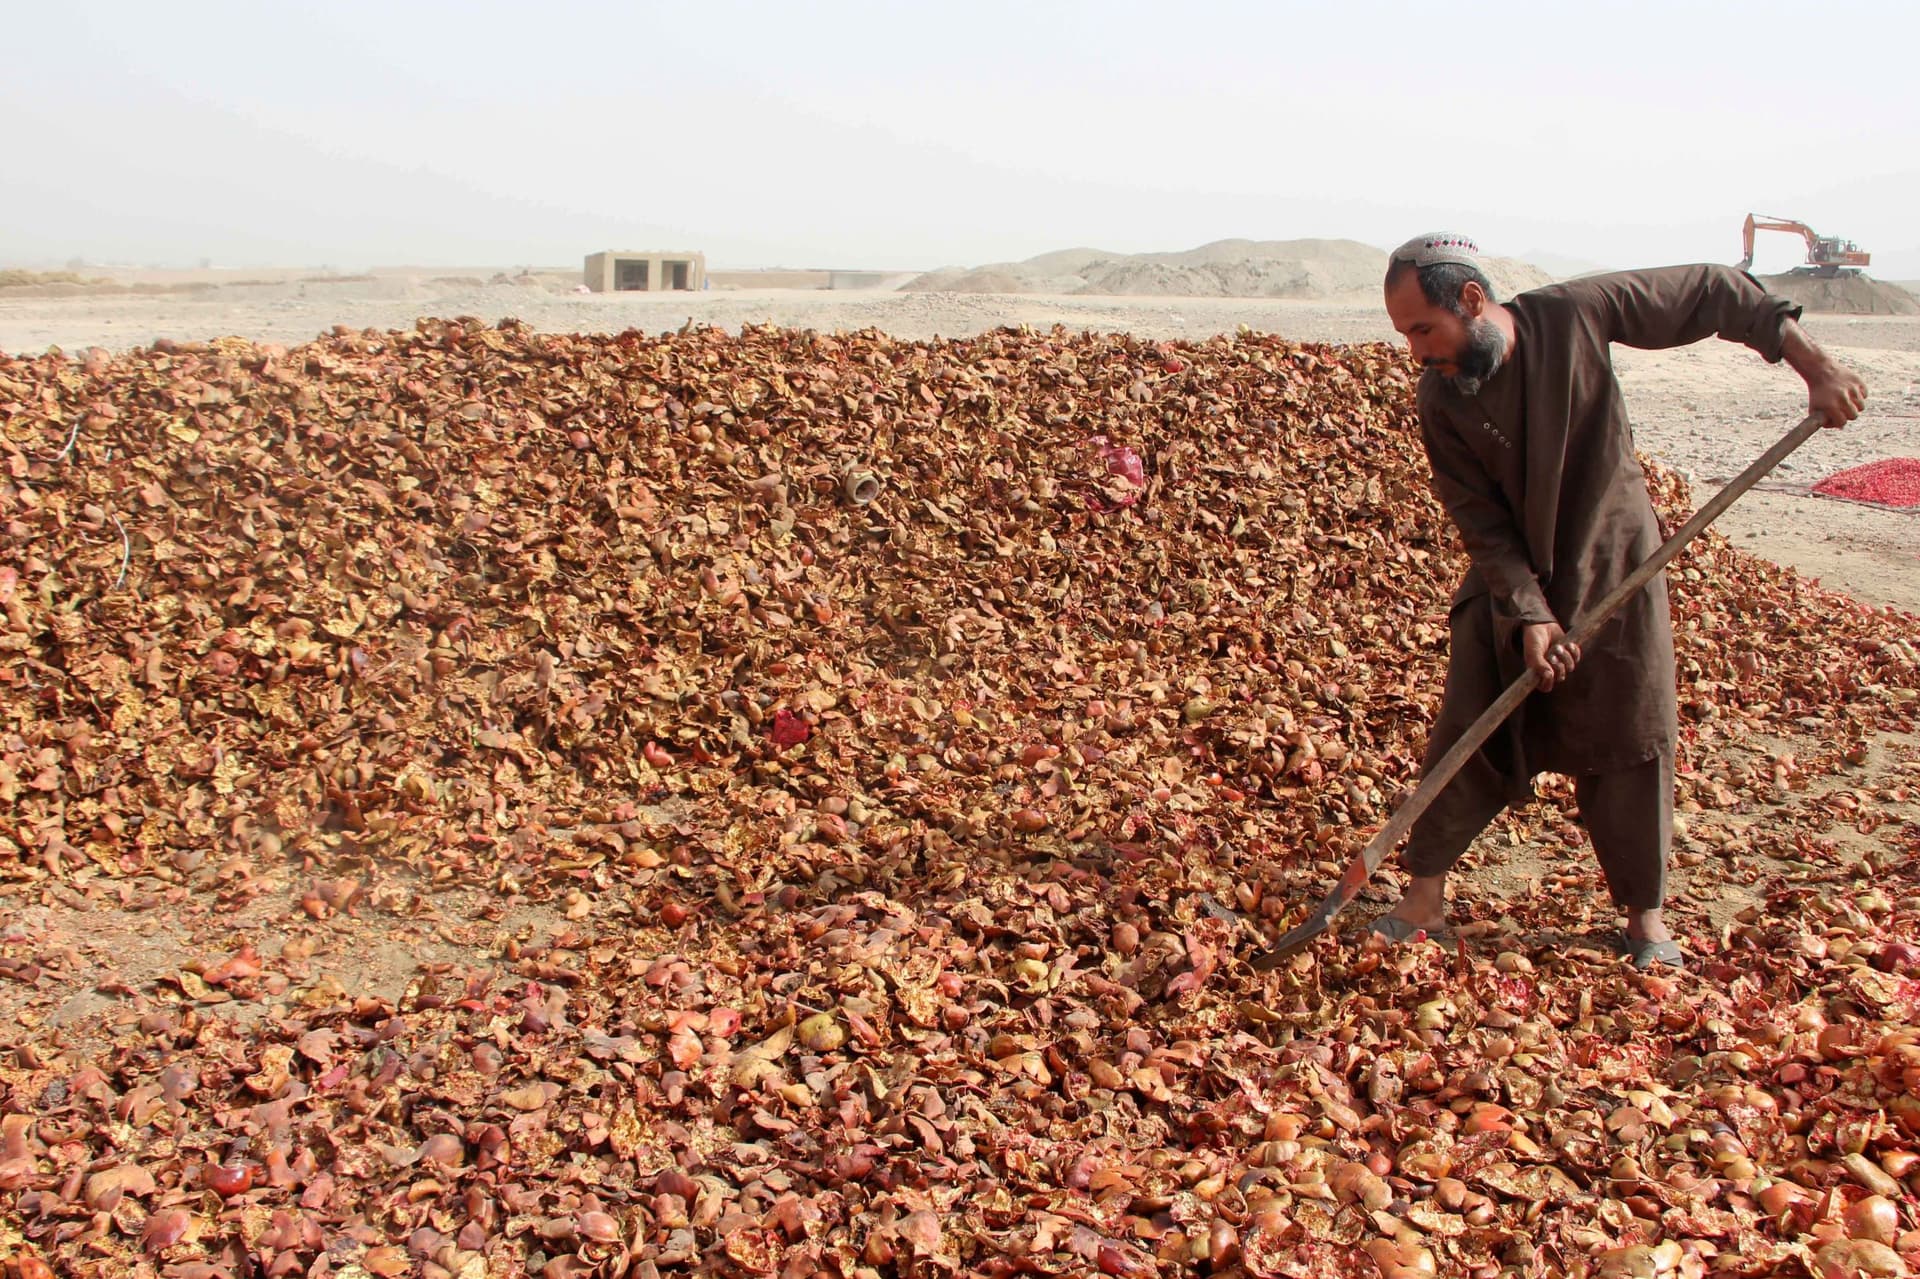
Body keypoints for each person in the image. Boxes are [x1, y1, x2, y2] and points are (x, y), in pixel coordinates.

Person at [1376, 233, 1868, 967]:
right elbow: (1480, 521)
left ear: (1472, 301)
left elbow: (1713, 289)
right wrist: (1531, 613)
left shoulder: (1576, 315)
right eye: (1406, 335)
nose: (1417, 351)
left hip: (1616, 566)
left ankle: (1645, 918)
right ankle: (1424, 897)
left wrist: (1815, 365)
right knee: (1470, 720)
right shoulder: (1440, 398)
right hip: (1514, 582)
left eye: (1424, 329)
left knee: (1632, 729)